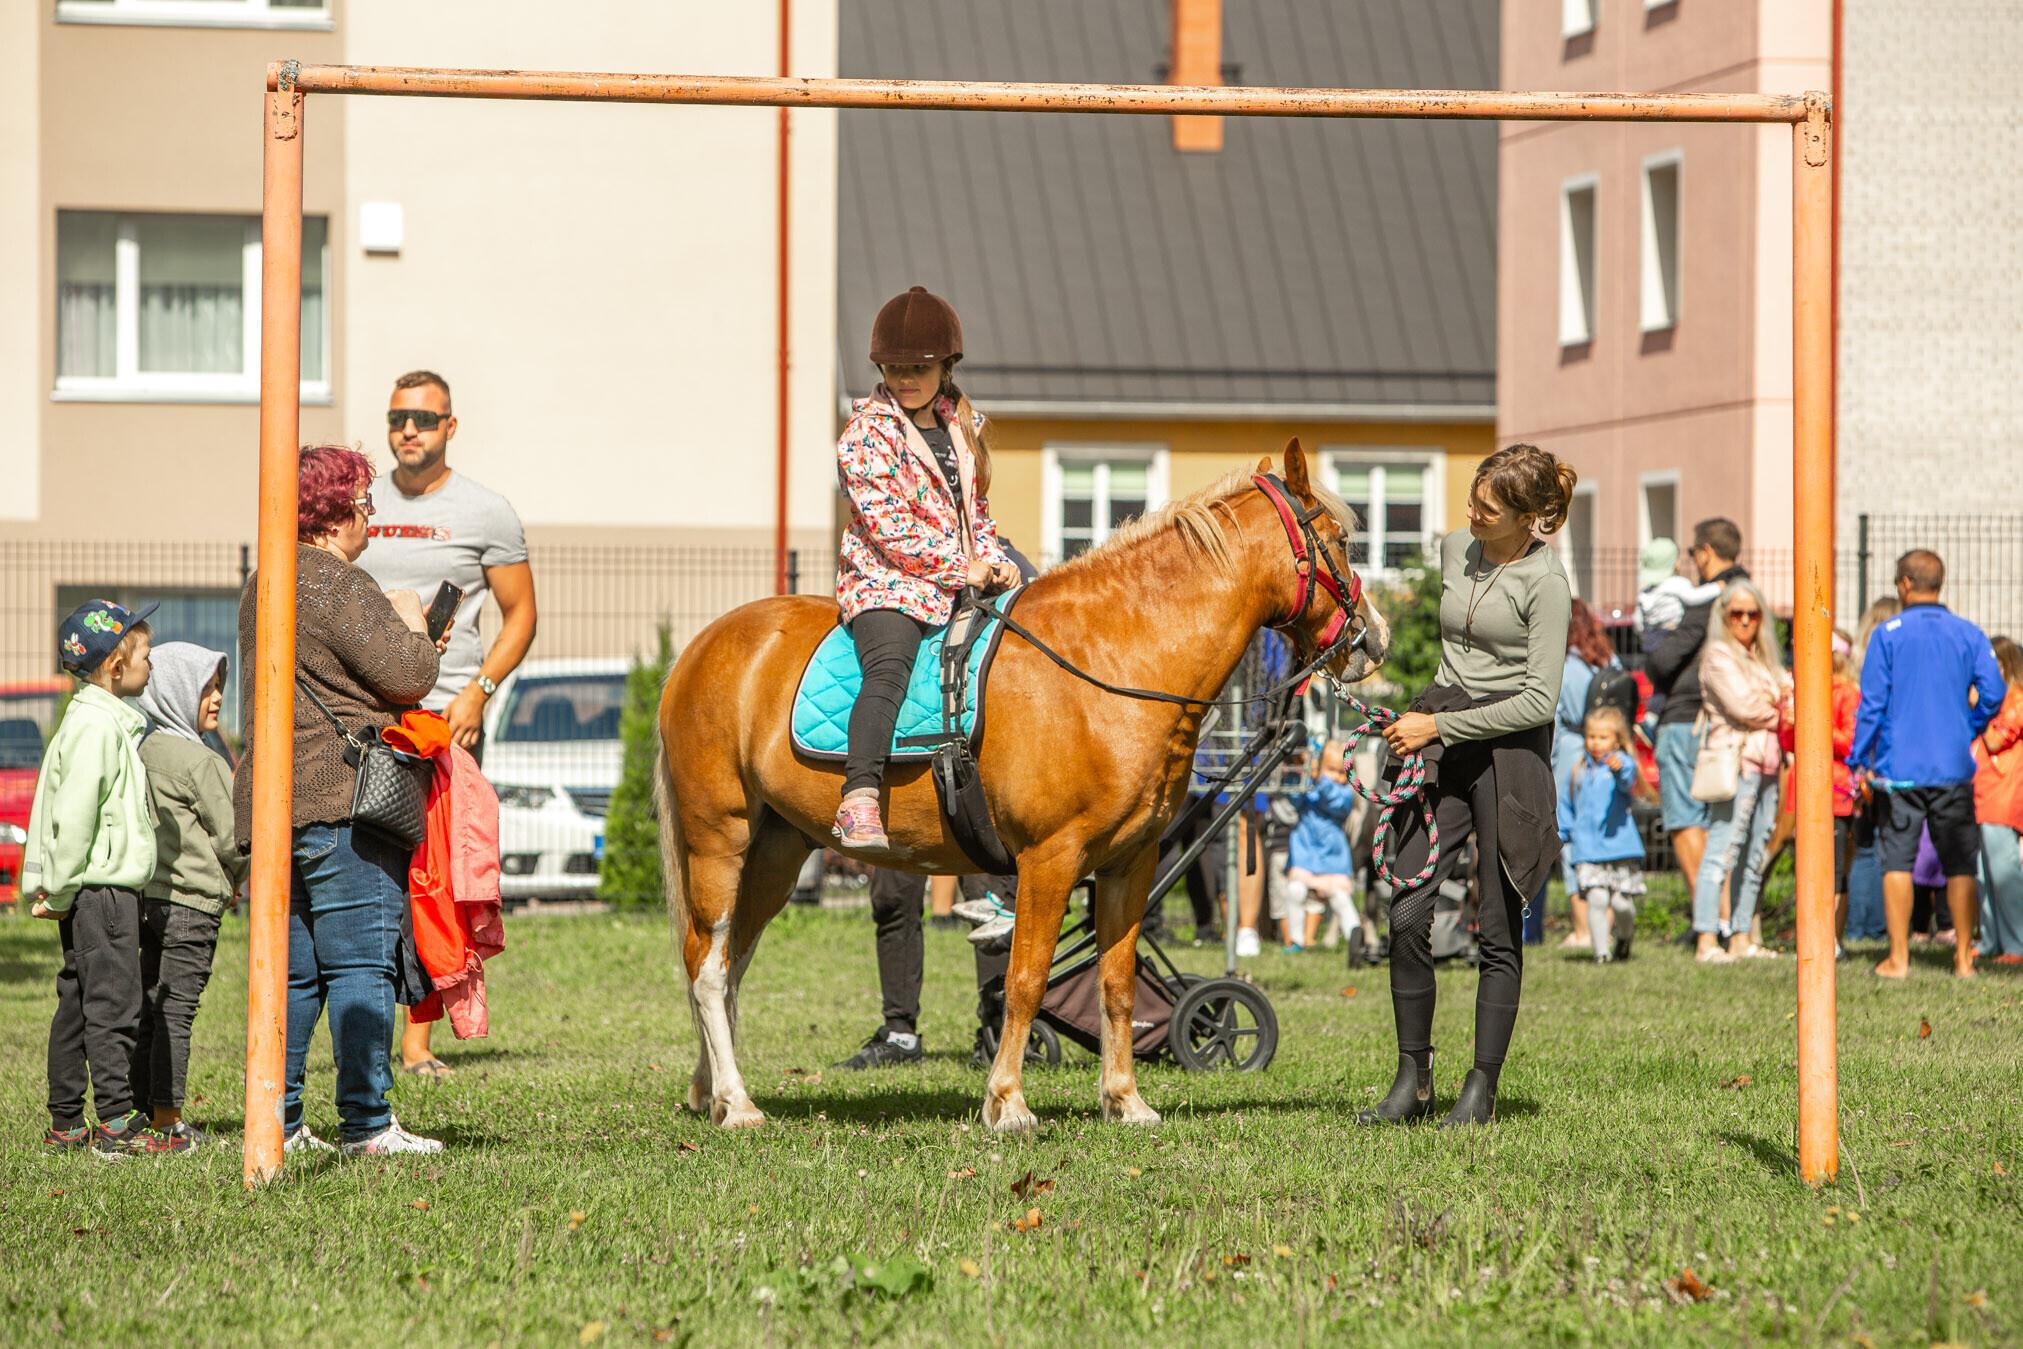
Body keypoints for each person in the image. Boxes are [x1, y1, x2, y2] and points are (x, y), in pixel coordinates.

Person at [235, 445, 448, 1155]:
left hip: (272, 809)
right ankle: (366, 1122)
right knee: (361, 963)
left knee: (292, 973)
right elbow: (408, 673)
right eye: (363, 502)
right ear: (331, 513)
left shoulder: (262, 581)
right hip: (342, 800)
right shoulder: (334, 581)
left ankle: (282, 1122)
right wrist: (414, 620)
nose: (371, 515)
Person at [1362, 444, 1574, 1129]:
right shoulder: (1457, 548)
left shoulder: (1545, 584)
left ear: (1530, 516)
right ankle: (1411, 1076)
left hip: (1507, 751)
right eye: (1472, 501)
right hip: (1441, 726)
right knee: (1404, 907)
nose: (1470, 514)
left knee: (1495, 926)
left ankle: (1480, 1085)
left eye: (1487, 508)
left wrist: (1438, 728)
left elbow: (1539, 700)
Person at [356, 369, 537, 1079]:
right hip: (366, 716)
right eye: (399, 417)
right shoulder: (358, 506)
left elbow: (520, 613)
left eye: (425, 419)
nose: (409, 430)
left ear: (450, 428)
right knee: (371, 875)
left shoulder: (485, 511)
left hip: (445, 720)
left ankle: (419, 1041)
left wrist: (479, 693)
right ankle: (363, 1023)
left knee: (435, 876)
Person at [831, 286, 1018, 852]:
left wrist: (996, 559)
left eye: (920, 367)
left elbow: (974, 511)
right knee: (889, 667)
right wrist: (967, 567)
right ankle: (859, 796)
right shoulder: (863, 437)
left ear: (947, 367)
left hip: (961, 576)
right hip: (888, 583)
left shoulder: (962, 429)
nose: (906, 377)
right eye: (895, 368)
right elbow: (893, 532)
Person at [24, 600, 189, 1158]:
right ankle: (117, 1119)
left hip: (88, 890)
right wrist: (64, 886)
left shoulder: (93, 720)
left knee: (77, 1003)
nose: (152, 664)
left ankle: (66, 1122)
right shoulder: (98, 727)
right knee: (116, 1004)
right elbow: (73, 817)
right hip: (103, 891)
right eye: (144, 653)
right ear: (116, 665)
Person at [1851, 550, 2007, 980]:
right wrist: (1968, 726)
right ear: (1940, 583)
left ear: (1904, 583)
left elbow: (1872, 705)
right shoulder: (1969, 633)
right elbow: (1993, 692)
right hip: (1953, 767)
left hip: (1899, 768)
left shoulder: (1887, 635)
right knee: (1959, 863)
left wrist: (1858, 757)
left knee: (1897, 861)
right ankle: (1962, 960)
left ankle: (1899, 958)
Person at [132, 642, 245, 1146]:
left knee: (150, 1005)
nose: (218, 697)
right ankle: (167, 1118)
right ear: (178, 690)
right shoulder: (202, 762)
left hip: (145, 899)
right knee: (178, 1010)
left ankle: (138, 1108)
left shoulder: (143, 749)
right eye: (206, 687)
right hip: (194, 904)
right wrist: (239, 878)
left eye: (219, 685)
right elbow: (235, 837)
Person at [1647, 519, 1750, 902]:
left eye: (1693, 553)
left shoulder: (1712, 596)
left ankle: (1708, 915)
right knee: (1723, 822)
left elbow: (1662, 661)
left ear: (1705, 551)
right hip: (1733, 720)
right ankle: (1729, 915)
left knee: (1685, 819)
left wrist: (1658, 648)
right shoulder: (1748, 595)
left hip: (1686, 719)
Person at [1691, 580, 1791, 963]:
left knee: (1755, 854)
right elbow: (1745, 706)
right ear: (1724, 616)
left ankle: (1742, 936)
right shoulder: (1718, 655)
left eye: (1753, 613)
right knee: (1723, 849)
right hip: (1736, 763)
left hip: (1768, 762)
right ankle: (1706, 939)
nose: (1746, 620)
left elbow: (1787, 695)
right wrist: (1777, 704)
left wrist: (1774, 700)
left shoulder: (1763, 657)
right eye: (1737, 613)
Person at [1553, 599, 1620, 949]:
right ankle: (1606, 923)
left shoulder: (1566, 666)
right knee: (1605, 835)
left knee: (1571, 838)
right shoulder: (1609, 660)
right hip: (1611, 752)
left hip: (1574, 755)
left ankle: (1582, 930)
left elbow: (1562, 713)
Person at [1559, 706, 1646, 962]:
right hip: (1587, 847)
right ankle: (1601, 953)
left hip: (1621, 846)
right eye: (1591, 736)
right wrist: (1564, 833)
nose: (1595, 743)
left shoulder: (1621, 765)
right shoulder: (1578, 770)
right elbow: (1566, 804)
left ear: (1617, 740)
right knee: (1596, 898)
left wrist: (1619, 768)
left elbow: (1626, 779)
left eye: (1603, 737)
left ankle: (1625, 936)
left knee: (1621, 904)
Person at [1282, 740, 1361, 956]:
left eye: (1341, 772)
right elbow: (1294, 798)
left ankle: (1355, 935)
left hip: (1332, 856)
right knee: (1295, 890)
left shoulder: (1344, 793)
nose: (1336, 777)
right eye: (1331, 770)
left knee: (1339, 898)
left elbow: (1334, 802)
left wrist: (1319, 777)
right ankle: (1296, 940)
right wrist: (1303, 773)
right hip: (1305, 852)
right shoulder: (1310, 785)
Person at [1972, 636, 2023, 963]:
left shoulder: (2016, 699)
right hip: (1981, 796)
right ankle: (1990, 939)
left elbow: (1994, 740)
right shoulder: (1995, 702)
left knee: (2005, 874)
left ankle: (2017, 943)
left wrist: (1973, 706)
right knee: (1981, 875)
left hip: (2003, 799)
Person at [1634, 537, 1724, 653]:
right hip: (1672, 634)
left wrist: (1646, 633)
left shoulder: (1645, 593)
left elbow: (1638, 622)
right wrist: (1717, 587)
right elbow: (1694, 597)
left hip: (1652, 639)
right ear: (1676, 564)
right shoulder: (1676, 583)